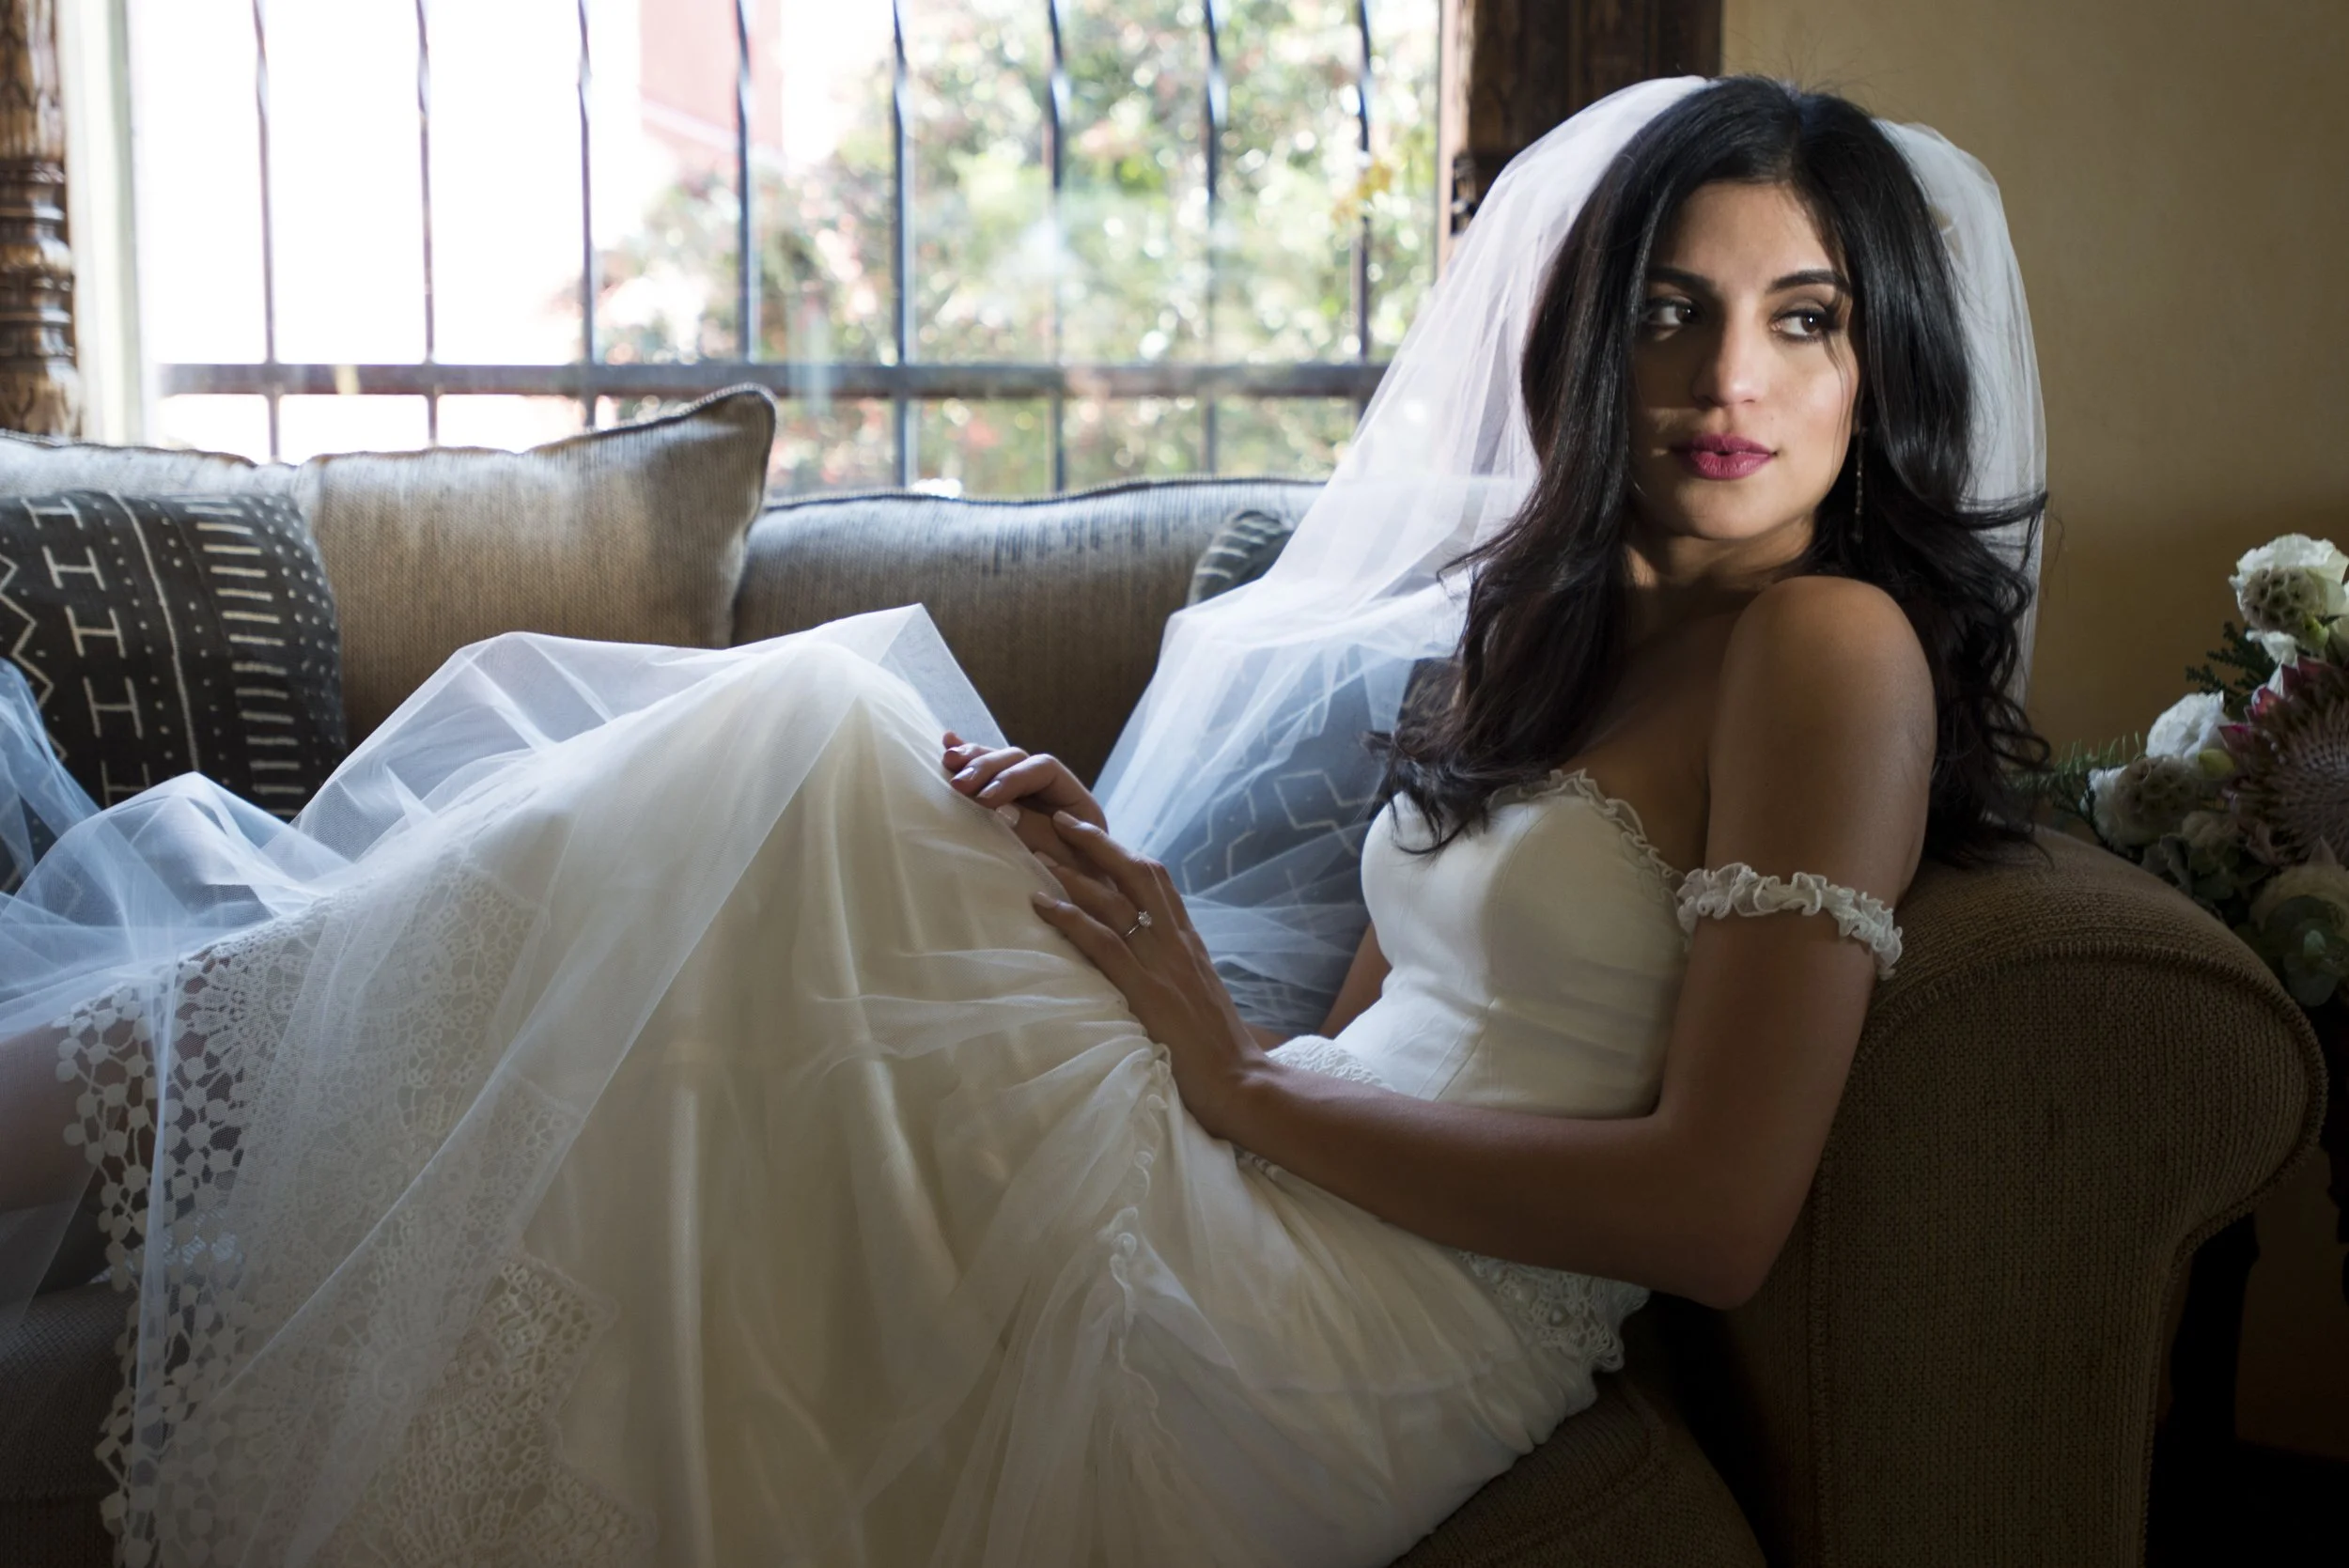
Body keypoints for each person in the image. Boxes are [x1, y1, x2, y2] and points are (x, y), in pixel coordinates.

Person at [0, 74, 2046, 1567]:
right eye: (1673, 307)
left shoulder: (1826, 648)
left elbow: (1712, 1212)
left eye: (1804, 317)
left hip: (1353, 1328)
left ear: (1882, 359)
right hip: (1289, 1165)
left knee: (796, 749)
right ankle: (175, 1104)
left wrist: (1223, 1086)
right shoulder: (1553, 625)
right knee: (815, 815)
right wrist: (1122, 926)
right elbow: (1356, 1024)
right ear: (1596, 333)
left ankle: (128, 1095)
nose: (1728, 375)